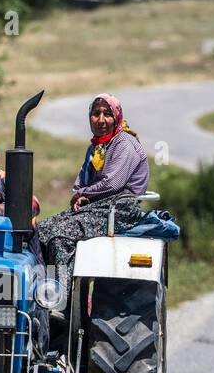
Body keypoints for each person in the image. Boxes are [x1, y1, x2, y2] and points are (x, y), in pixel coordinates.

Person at [35, 93, 148, 288]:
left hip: (118, 209)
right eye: (96, 114)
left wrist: (85, 195)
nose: (101, 120)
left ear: (117, 117)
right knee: (40, 230)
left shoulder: (124, 144)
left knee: (60, 236)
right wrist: (80, 194)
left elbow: (112, 183)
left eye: (107, 114)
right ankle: (44, 289)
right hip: (97, 207)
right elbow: (81, 181)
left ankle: (62, 298)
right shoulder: (97, 146)